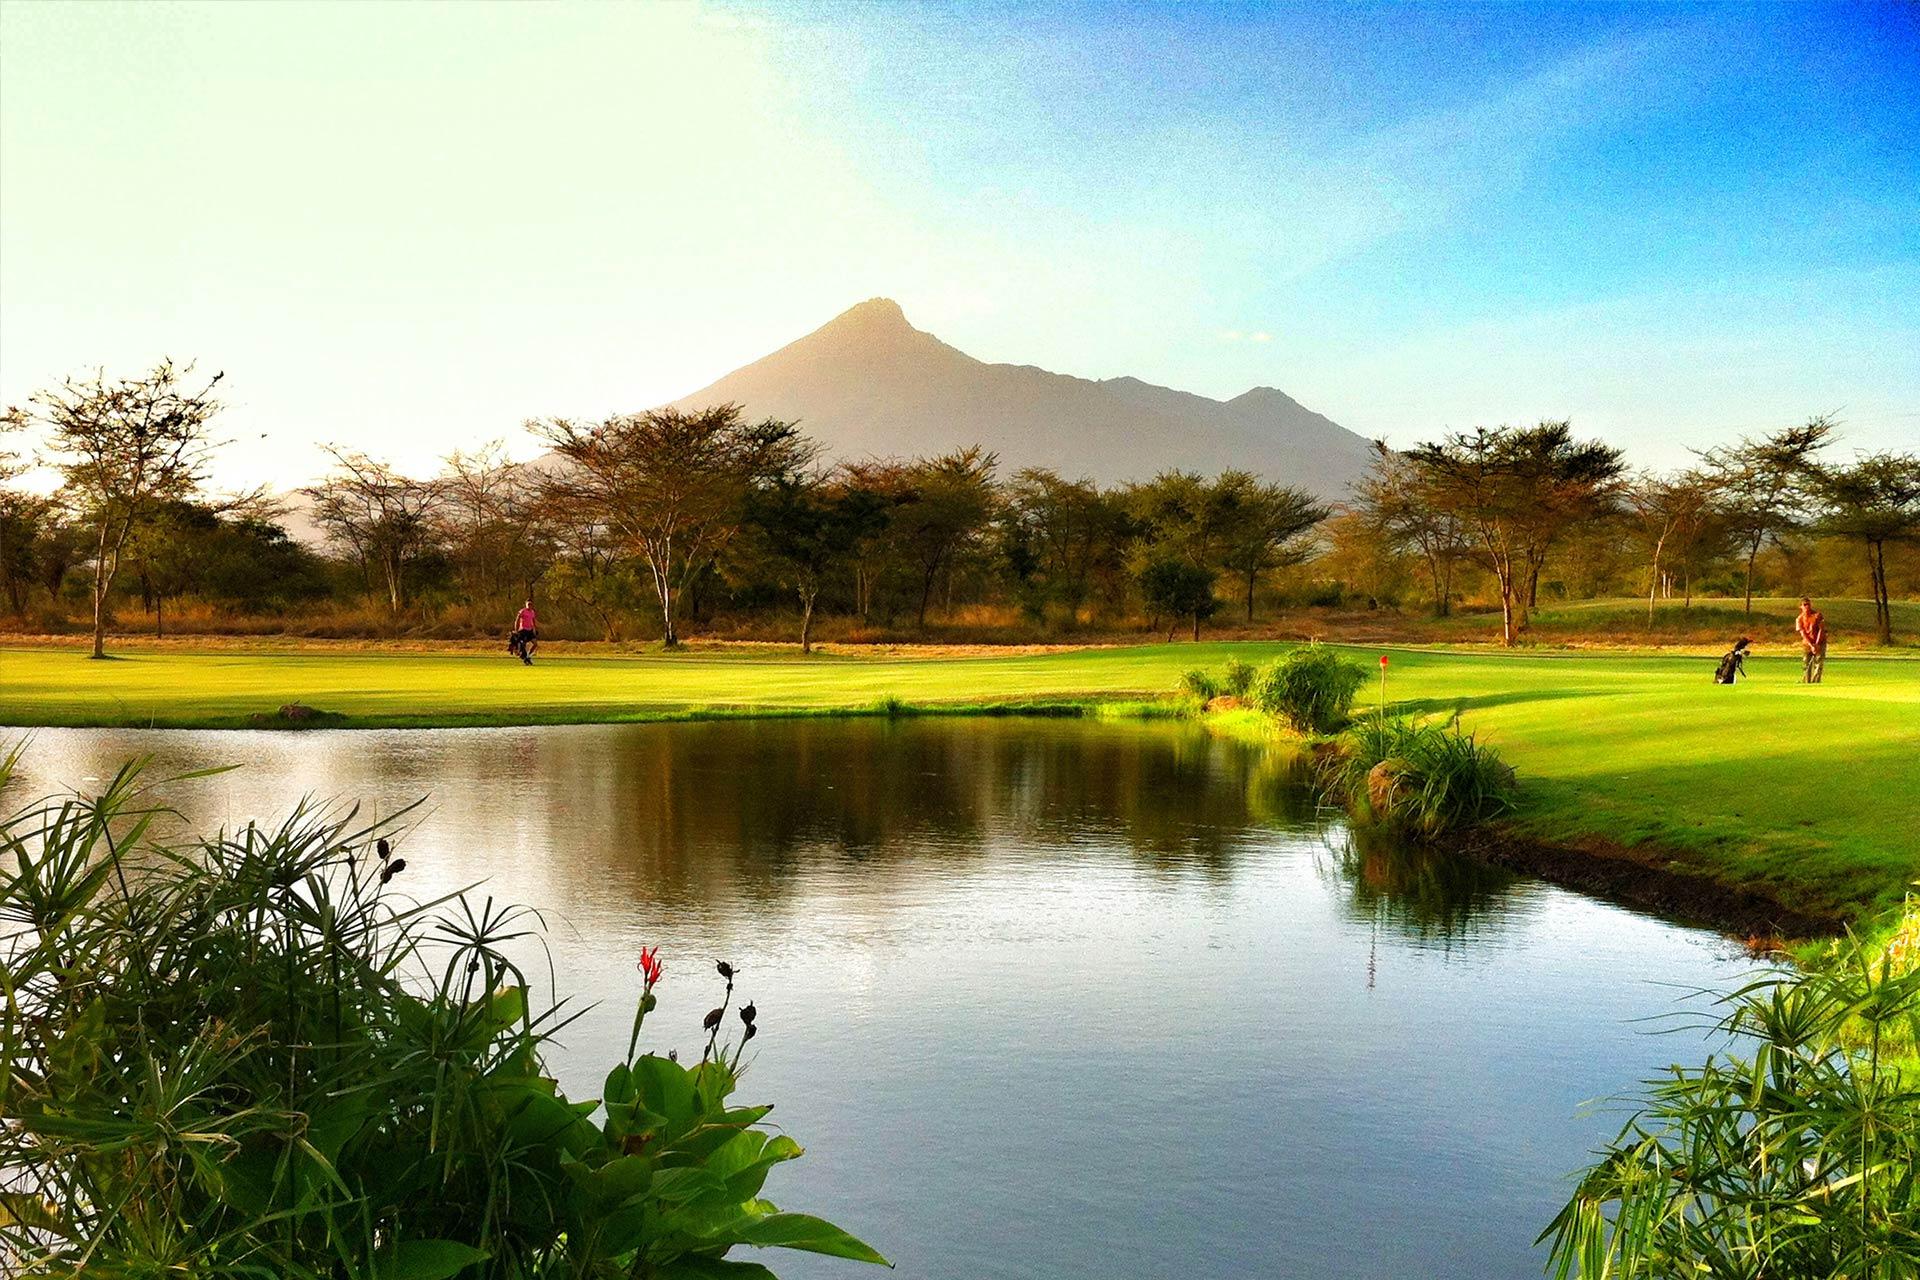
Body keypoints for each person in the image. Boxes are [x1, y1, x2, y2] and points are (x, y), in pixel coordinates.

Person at [1795, 596, 1826, 684]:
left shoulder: (1817, 615)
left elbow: (1821, 630)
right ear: (1801, 607)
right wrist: (1811, 645)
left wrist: (1817, 644)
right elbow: (1803, 633)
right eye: (1804, 605)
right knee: (1806, 663)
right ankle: (1807, 682)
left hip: (1820, 642)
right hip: (1807, 643)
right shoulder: (1799, 619)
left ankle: (1816, 682)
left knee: (1818, 663)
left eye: (1808, 604)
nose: (1807, 607)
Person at [509, 599, 538, 663]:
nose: (529, 605)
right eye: (528, 604)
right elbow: (517, 620)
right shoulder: (522, 611)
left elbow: (533, 621)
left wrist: (534, 629)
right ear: (526, 604)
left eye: (530, 604)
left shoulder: (532, 612)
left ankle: (528, 656)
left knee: (535, 644)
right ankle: (523, 656)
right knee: (523, 644)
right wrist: (516, 630)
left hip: (530, 630)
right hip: (523, 630)